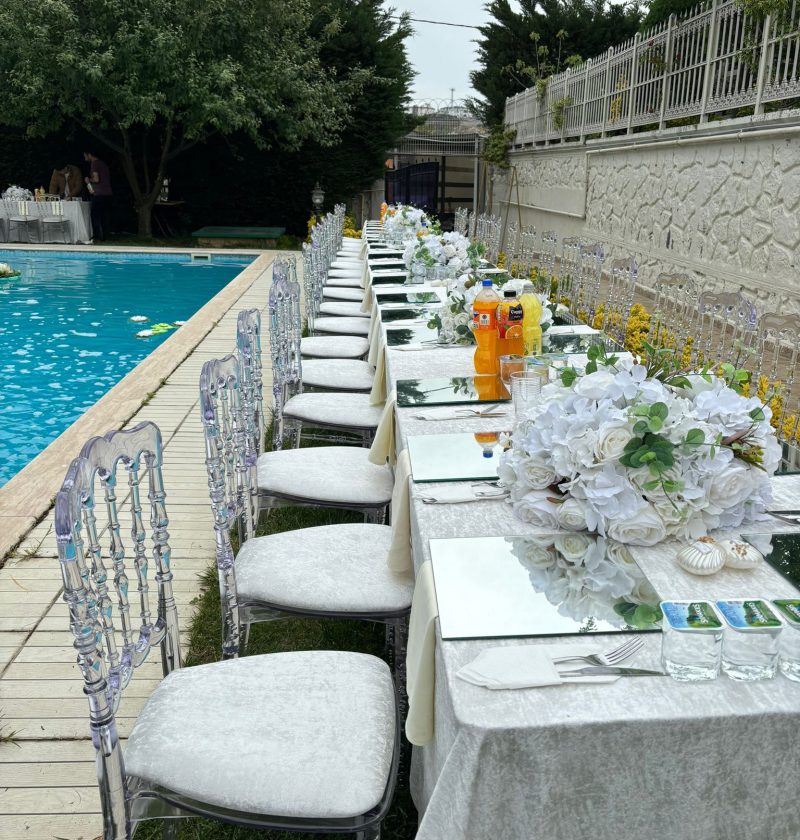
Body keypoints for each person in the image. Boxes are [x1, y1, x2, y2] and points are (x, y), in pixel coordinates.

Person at [83, 151, 113, 241]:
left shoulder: (94, 164)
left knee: (96, 216)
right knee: (105, 216)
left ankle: (98, 236)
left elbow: (96, 179)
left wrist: (88, 180)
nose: (85, 158)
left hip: (99, 193)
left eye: (85, 155)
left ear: (89, 154)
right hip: (108, 193)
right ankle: (106, 236)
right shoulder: (103, 164)